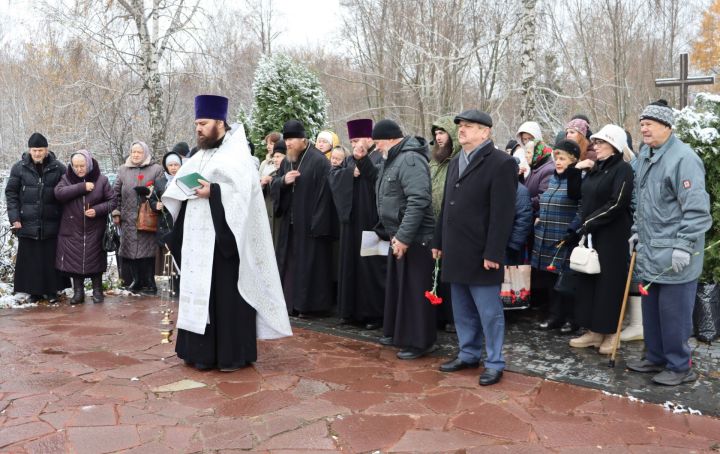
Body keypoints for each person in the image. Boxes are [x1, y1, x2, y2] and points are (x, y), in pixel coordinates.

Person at [162, 94, 292, 372]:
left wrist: (214, 191)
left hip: (226, 242)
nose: (198, 128)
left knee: (225, 298)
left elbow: (244, 194)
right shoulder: (199, 155)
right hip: (197, 239)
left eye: (203, 123)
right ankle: (198, 352)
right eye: (196, 123)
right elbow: (180, 188)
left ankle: (231, 355)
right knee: (200, 294)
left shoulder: (237, 154)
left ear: (220, 123)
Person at [627, 100, 711, 386]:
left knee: (674, 314)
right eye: (642, 123)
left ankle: (679, 365)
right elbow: (641, 202)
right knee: (652, 311)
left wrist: (685, 245)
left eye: (650, 123)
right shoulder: (646, 155)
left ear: (667, 126)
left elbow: (697, 209)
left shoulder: (683, 159)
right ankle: (656, 356)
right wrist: (637, 231)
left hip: (676, 253)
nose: (644, 128)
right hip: (651, 250)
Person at [432, 110, 517, 386]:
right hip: (456, 249)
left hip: (482, 253)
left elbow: (503, 213)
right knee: (462, 309)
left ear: (485, 132)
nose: (462, 130)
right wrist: (439, 242)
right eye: (460, 126)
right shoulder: (456, 161)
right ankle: (468, 353)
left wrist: (494, 252)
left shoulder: (502, 163)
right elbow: (447, 206)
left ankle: (494, 362)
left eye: (469, 126)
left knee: (489, 312)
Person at [356, 119, 436, 360]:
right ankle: (400, 333)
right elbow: (377, 181)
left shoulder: (410, 159)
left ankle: (420, 341)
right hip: (398, 235)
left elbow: (418, 201)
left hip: (415, 238)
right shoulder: (392, 158)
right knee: (401, 289)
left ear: (390, 138)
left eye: (378, 142)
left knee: (415, 291)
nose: (377, 147)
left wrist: (403, 237)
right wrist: (360, 158)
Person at [567, 124, 634, 355]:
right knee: (588, 282)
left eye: (602, 143)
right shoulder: (596, 168)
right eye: (595, 142)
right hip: (592, 234)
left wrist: (590, 221)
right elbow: (576, 194)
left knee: (609, 284)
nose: (596, 146)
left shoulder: (623, 169)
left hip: (612, 235)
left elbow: (618, 202)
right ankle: (594, 330)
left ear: (614, 146)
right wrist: (577, 169)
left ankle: (611, 332)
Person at [270, 120, 336, 316]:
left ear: (303, 139)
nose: (288, 143)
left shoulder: (319, 161)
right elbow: (275, 184)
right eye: (286, 139)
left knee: (309, 267)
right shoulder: (286, 161)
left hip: (310, 226)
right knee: (289, 264)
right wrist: (283, 181)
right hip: (290, 226)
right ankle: (290, 304)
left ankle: (308, 307)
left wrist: (318, 224)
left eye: (292, 139)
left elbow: (326, 197)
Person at [327, 118, 386, 329]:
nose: (355, 145)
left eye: (359, 140)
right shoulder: (350, 160)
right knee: (351, 265)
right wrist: (348, 174)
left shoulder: (379, 156)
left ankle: (374, 314)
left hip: (373, 222)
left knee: (372, 266)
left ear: (370, 139)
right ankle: (349, 310)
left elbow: (379, 178)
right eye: (352, 141)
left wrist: (363, 163)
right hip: (351, 222)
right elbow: (333, 177)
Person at [5, 133, 69, 303]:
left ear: (46, 150)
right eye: (34, 150)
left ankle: (52, 291)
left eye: (40, 150)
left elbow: (65, 193)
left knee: (50, 257)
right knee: (32, 258)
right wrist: (15, 218)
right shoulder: (19, 168)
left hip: (51, 221)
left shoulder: (59, 168)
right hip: (27, 221)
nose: (37, 153)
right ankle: (35, 292)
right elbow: (11, 193)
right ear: (29, 150)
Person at [531, 140, 581, 333]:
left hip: (563, 237)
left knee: (565, 282)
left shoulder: (577, 178)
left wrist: (573, 230)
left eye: (563, 158)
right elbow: (546, 201)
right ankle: (555, 316)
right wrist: (539, 217)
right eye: (556, 158)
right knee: (550, 281)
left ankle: (571, 318)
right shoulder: (553, 178)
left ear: (573, 160)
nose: (558, 162)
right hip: (545, 235)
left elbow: (581, 208)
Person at [55, 149, 115, 304]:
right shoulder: (66, 179)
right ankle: (78, 293)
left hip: (95, 228)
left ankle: (97, 291)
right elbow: (59, 194)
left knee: (95, 260)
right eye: (75, 166)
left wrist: (97, 210)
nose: (79, 169)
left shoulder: (101, 180)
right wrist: (82, 187)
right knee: (75, 261)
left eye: (82, 165)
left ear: (88, 164)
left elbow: (113, 201)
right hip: (72, 228)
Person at [113, 140, 164, 294]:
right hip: (128, 218)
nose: (135, 155)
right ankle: (135, 281)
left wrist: (149, 193)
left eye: (139, 152)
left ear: (145, 153)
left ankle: (149, 280)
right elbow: (115, 194)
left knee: (148, 250)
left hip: (147, 217)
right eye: (133, 152)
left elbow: (161, 191)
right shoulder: (123, 170)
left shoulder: (156, 169)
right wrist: (116, 212)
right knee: (129, 251)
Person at [429, 116, 462, 333]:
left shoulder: (459, 160)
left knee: (450, 275)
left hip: (452, 226)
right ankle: (437, 314)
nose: (439, 137)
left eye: (443, 132)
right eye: (436, 134)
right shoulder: (434, 161)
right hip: (432, 224)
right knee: (434, 274)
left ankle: (453, 316)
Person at [149, 150, 183, 294]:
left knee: (181, 255)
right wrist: (155, 205)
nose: (174, 167)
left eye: (176, 164)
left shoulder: (184, 179)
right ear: (166, 166)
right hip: (165, 224)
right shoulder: (160, 182)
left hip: (181, 222)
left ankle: (183, 285)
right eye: (171, 165)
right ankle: (173, 285)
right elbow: (153, 199)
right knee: (169, 257)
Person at [517, 121, 554, 215]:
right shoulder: (535, 166)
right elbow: (527, 190)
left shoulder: (547, 169)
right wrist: (520, 177)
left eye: (530, 138)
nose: (526, 142)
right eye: (524, 139)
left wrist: (521, 203)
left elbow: (543, 198)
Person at [261, 139, 286, 246]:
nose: (275, 160)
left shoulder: (290, 174)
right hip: (269, 222)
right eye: (274, 156)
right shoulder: (271, 173)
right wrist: (262, 185)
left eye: (279, 156)